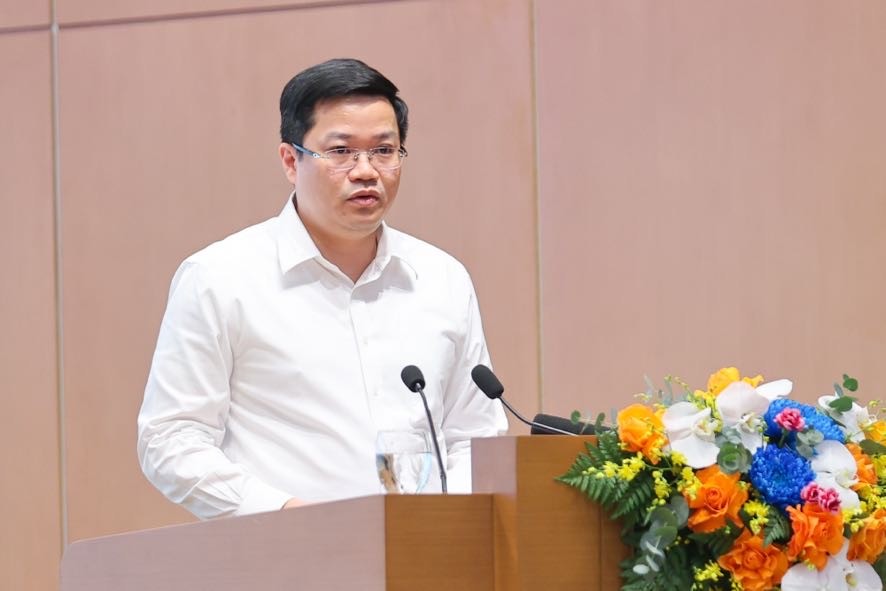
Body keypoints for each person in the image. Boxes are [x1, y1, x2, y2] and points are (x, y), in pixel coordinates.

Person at [137, 58, 508, 519]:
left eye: (384, 150)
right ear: (290, 161)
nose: (366, 170)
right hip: (286, 550)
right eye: (341, 151)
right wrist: (289, 515)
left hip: (424, 549)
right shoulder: (220, 278)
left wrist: (445, 524)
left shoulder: (441, 278)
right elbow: (170, 439)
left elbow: (474, 436)